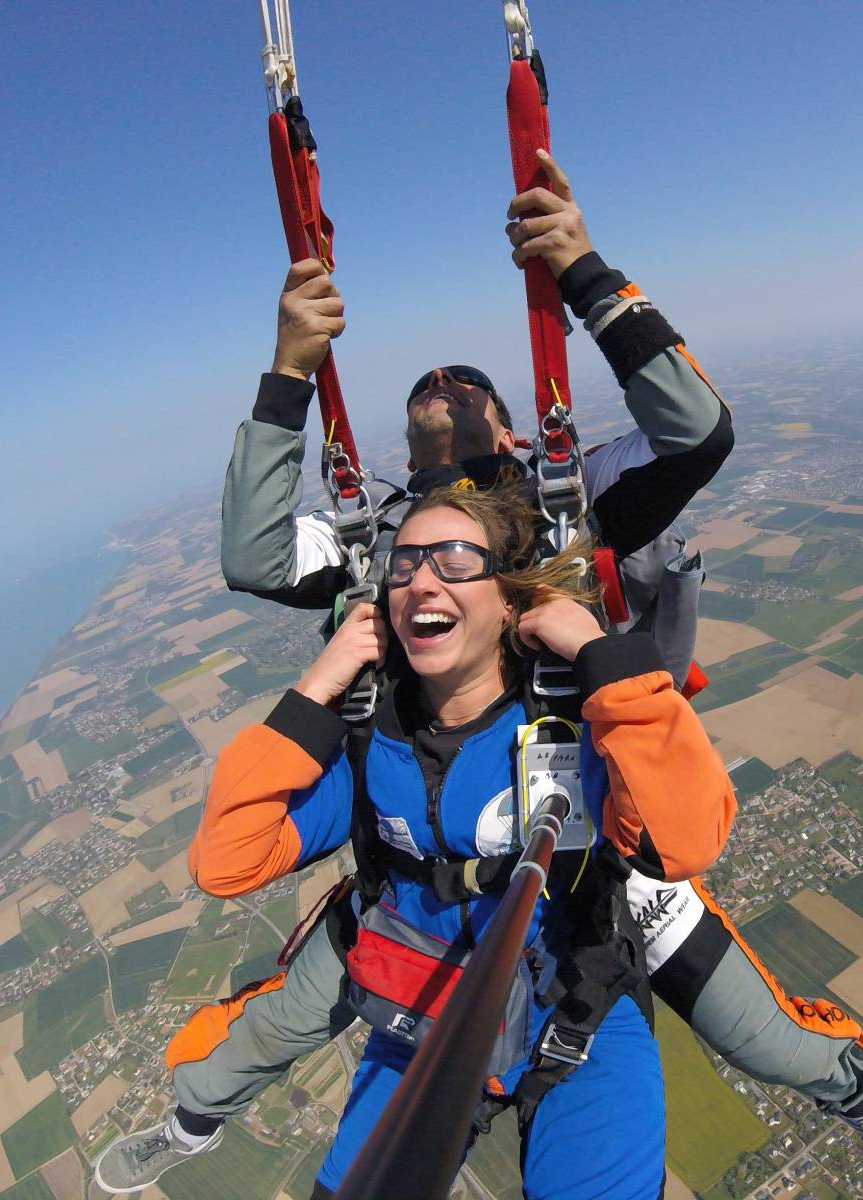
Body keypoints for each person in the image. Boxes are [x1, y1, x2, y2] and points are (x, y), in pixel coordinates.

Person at [95, 154, 863, 1195]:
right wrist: (285, 375)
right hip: (417, 841)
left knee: (759, 1034)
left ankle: (851, 1096)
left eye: (466, 395)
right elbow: (255, 558)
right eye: (425, 407)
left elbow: (696, 432)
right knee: (267, 1030)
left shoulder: (568, 511)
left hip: (587, 841)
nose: (441, 396)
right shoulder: (381, 546)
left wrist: (583, 273)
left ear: (510, 432)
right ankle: (189, 1123)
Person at [201, 486, 732, 1197]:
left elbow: (688, 838)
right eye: (406, 562)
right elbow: (226, 859)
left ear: (510, 601)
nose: (421, 578)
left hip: (579, 1014)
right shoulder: (368, 742)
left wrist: (596, 653)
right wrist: (318, 685)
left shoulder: (569, 724)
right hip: (418, 1023)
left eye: (454, 559)